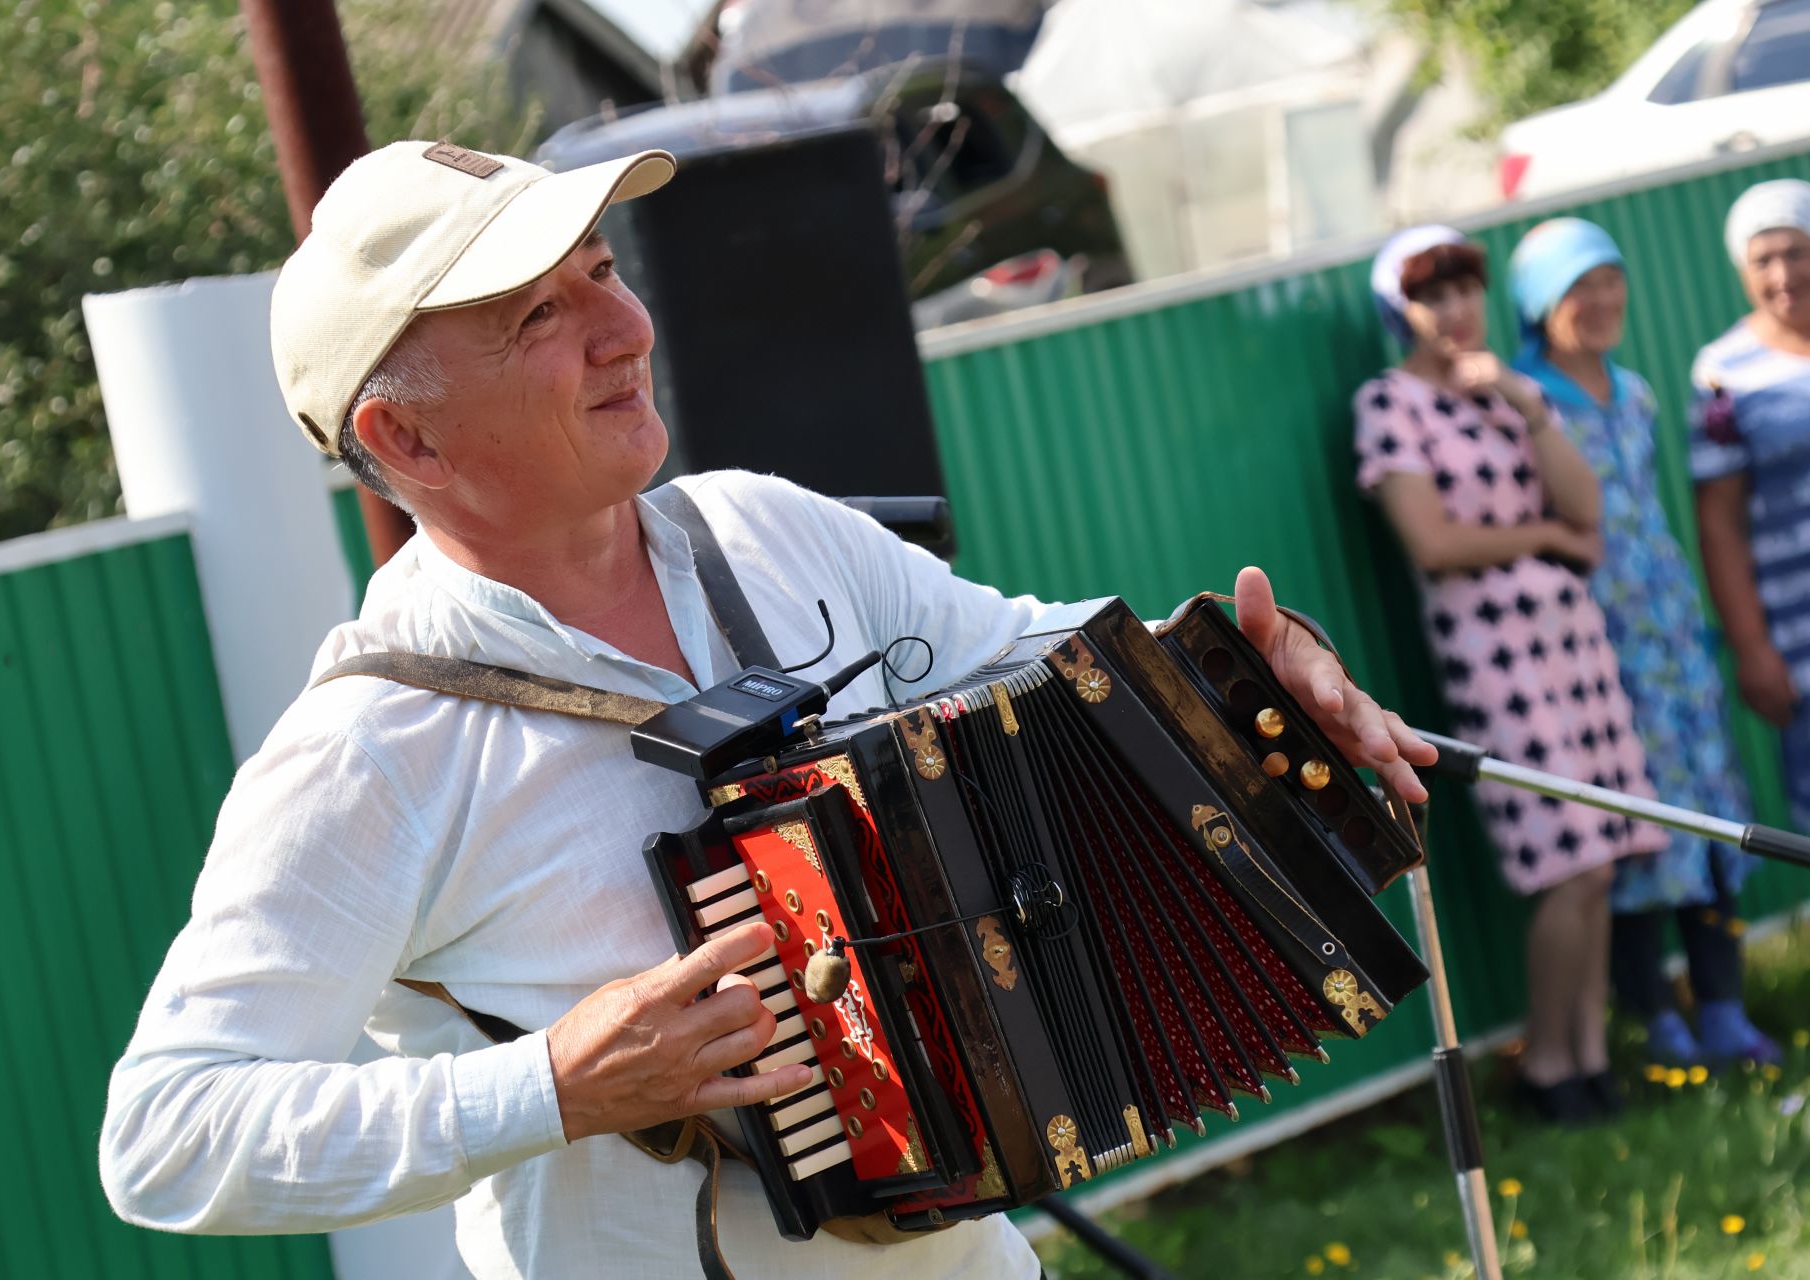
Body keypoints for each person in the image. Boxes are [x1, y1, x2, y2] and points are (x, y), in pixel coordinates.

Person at [98, 139, 1436, 1278]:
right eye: (535, 318)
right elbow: (168, 1138)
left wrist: (1258, 675)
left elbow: (1055, 671)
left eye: (603, 274)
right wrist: (551, 1089)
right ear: (404, 440)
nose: (626, 331)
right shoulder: (370, 752)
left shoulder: (765, 528)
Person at [1353, 224, 1667, 1122]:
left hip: (1575, 644)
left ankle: (1589, 1056)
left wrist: (1527, 408)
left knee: (1605, 858)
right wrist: (1539, 538)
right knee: (1565, 864)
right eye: (1432, 296)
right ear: (1401, 312)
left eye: (1465, 291)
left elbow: (1589, 509)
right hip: (1497, 655)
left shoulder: (1511, 389)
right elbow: (1437, 543)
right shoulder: (1389, 404)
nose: (1454, 312)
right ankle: (1545, 1068)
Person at [1508, 218, 1776, 1067]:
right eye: (1576, 287)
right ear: (1538, 305)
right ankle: (1654, 1015)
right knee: (1635, 831)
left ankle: (1725, 1006)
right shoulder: (1524, 400)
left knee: (1710, 819)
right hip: (1590, 649)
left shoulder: (1638, 393)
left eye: (1610, 279)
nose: (1600, 301)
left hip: (1674, 639)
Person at [1692, 179, 1810, 841]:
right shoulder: (1722, 373)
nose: (1783, 273)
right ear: (1742, 270)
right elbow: (1718, 522)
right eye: (1762, 259)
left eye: (1795, 250)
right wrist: (1754, 650)